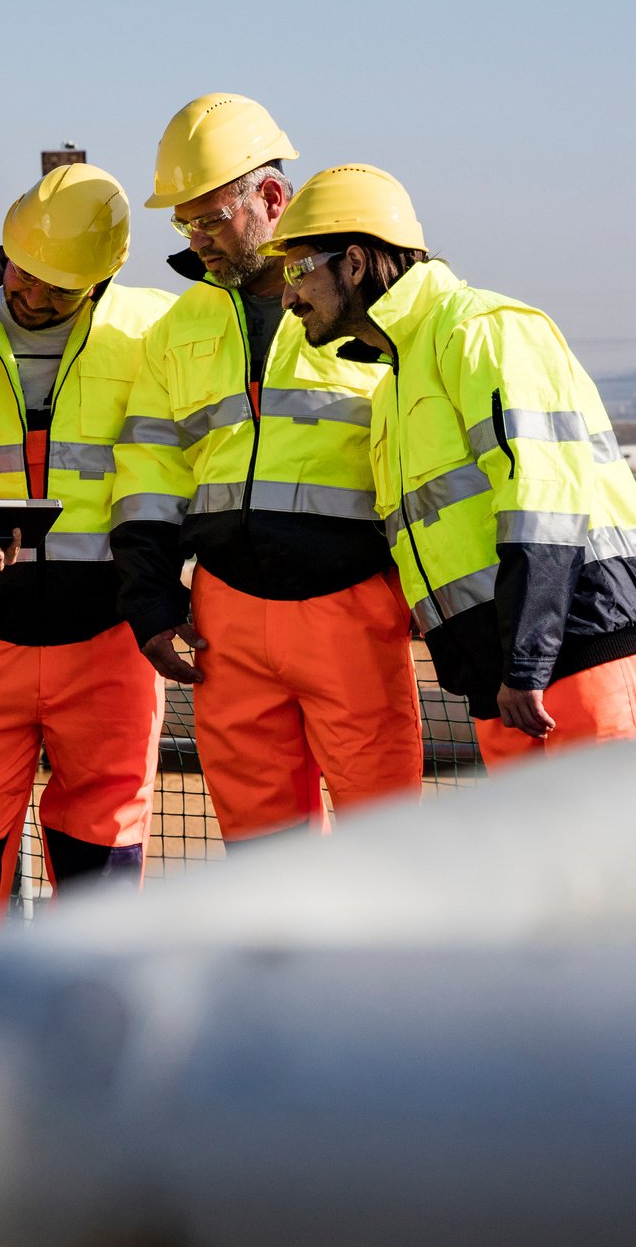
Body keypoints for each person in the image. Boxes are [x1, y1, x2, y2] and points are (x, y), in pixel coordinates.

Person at [263, 163, 636, 769]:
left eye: (297, 271)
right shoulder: (400, 376)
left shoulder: (481, 330)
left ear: (353, 261)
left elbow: (544, 502)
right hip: (502, 682)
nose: (287, 294)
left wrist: (528, 662)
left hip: (572, 662)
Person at [111, 96, 422, 845]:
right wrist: (151, 603)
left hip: (352, 608)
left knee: (382, 849)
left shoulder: (372, 310)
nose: (197, 239)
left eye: (211, 219)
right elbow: (150, 471)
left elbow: (428, 460)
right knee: (259, 857)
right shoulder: (177, 329)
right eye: (184, 224)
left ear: (272, 198)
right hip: (226, 621)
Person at [0, 163, 174, 924]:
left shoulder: (152, 333)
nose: (31, 296)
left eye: (58, 288)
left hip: (110, 640)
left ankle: (87, 1031)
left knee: (105, 846)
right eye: (23, 275)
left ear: (103, 278)